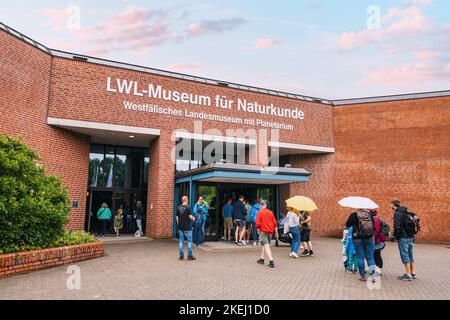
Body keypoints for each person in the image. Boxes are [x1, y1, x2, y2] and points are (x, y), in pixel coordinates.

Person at [345, 208, 376, 283]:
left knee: (360, 258)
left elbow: (347, 225)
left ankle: (362, 277)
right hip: (369, 238)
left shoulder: (354, 215)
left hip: (357, 238)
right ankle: (373, 277)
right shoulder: (369, 214)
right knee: (370, 258)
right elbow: (373, 226)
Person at [392, 199, 418, 281]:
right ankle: (412, 273)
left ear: (393, 205)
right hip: (410, 237)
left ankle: (408, 275)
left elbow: (397, 227)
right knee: (410, 254)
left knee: (405, 255)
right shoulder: (406, 212)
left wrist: (396, 236)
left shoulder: (397, 213)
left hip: (403, 237)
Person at [256, 200, 278, 268]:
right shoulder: (271, 212)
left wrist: (258, 230)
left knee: (266, 246)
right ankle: (262, 259)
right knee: (264, 245)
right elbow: (275, 223)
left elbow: (257, 223)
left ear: (261, 205)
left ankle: (271, 262)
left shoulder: (260, 212)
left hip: (263, 231)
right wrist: (276, 232)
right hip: (270, 232)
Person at [176, 196, 196, 260]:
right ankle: (189, 256)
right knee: (189, 241)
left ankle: (181, 256)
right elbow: (190, 216)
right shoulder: (188, 207)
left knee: (181, 241)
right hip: (187, 227)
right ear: (187, 200)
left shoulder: (178, 208)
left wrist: (179, 224)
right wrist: (193, 218)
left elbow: (177, 217)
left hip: (180, 227)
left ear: (182, 200)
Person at [371, 209, 386, 276]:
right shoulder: (377, 219)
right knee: (376, 254)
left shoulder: (375, 220)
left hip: (376, 241)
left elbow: (376, 231)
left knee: (376, 255)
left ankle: (378, 269)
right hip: (377, 240)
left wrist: (371, 237)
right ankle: (376, 269)